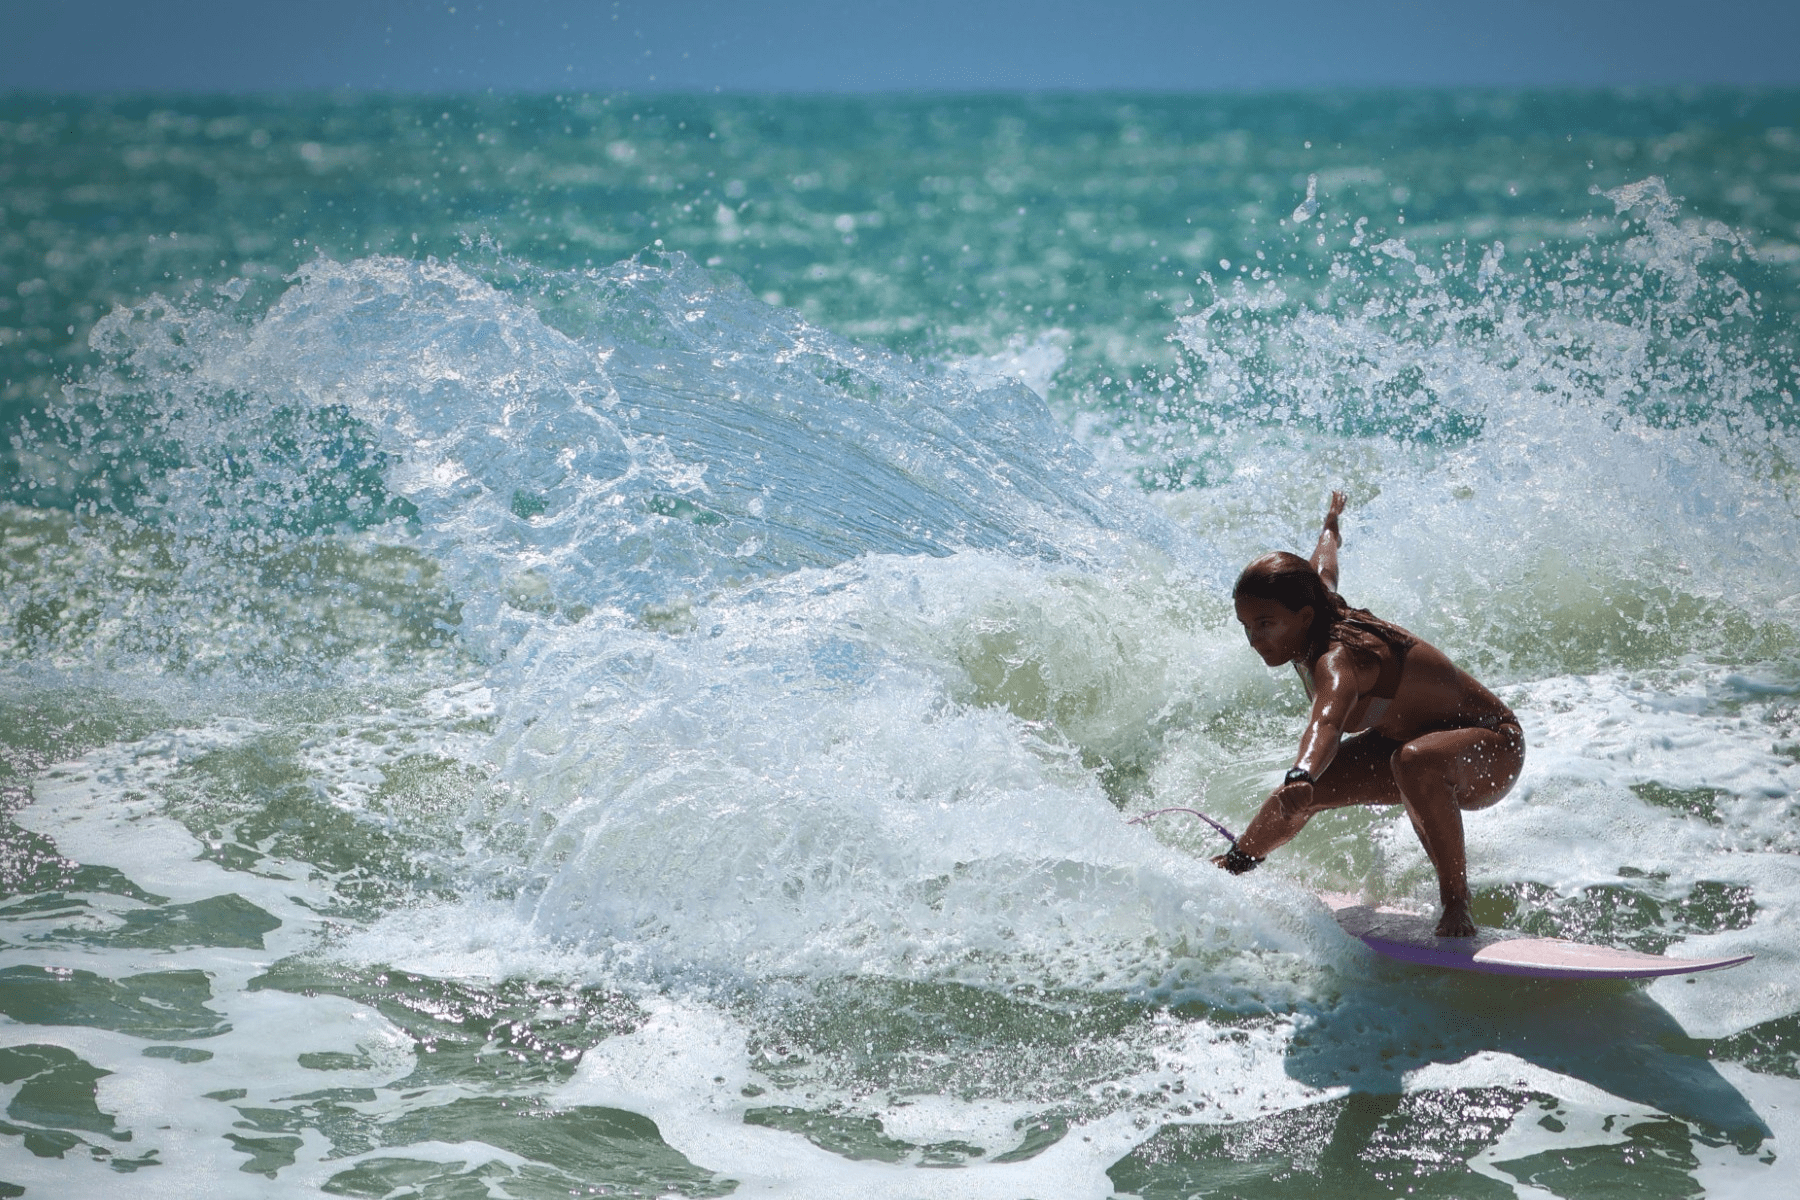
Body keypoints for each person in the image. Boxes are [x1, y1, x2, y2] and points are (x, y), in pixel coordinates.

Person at [1218, 491, 1523, 937]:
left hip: (1492, 748)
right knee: (1325, 787)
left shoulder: (1337, 661)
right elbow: (1324, 566)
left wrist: (1301, 772)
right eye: (1247, 626)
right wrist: (1330, 525)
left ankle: (1457, 904)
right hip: (1406, 743)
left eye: (1265, 625)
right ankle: (1236, 864)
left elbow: (1326, 722)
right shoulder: (1315, 602)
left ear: (1303, 616)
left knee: (1412, 762)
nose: (1254, 639)